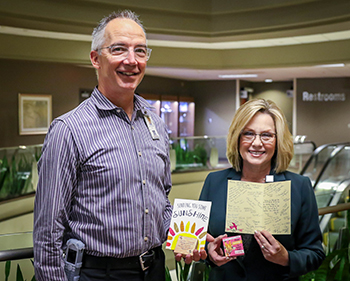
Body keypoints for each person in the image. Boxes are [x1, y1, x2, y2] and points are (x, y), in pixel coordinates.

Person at [33, 10, 173, 281]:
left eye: (140, 51)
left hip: (154, 268)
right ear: (96, 58)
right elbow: (48, 233)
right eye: (119, 49)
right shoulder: (69, 130)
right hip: (99, 273)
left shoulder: (155, 123)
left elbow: (161, 200)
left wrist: (190, 237)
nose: (131, 60)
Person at [199, 99, 325, 280]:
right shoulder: (215, 182)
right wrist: (209, 252)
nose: (257, 143)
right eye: (248, 134)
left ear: (278, 140)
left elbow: (315, 253)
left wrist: (286, 258)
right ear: (237, 138)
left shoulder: (299, 186)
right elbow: (200, 239)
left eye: (266, 135)